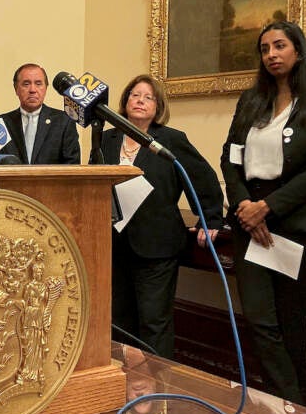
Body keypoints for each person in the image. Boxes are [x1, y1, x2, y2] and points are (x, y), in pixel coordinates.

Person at [220, 21, 306, 405]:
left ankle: (293, 404)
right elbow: (230, 158)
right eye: (264, 48)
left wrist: (267, 209)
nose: (271, 54)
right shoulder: (250, 102)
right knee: (259, 318)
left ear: (298, 51)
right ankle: (286, 402)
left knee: (291, 321)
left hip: (296, 223)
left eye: (279, 46)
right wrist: (244, 206)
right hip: (247, 219)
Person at [91, 74, 223, 358]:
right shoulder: (106, 138)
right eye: (134, 95)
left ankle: (159, 391)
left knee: (154, 321)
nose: (140, 100)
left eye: (148, 97)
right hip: (114, 245)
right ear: (125, 102)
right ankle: (122, 383)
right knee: (118, 320)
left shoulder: (171, 140)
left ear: (158, 106)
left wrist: (210, 219)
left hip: (156, 246)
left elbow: (203, 179)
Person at [0, 63, 80, 164]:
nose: (32, 90)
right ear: (16, 89)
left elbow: (72, 167)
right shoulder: (0, 124)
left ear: (45, 88)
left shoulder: (64, 122)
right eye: (26, 84)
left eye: (38, 83)